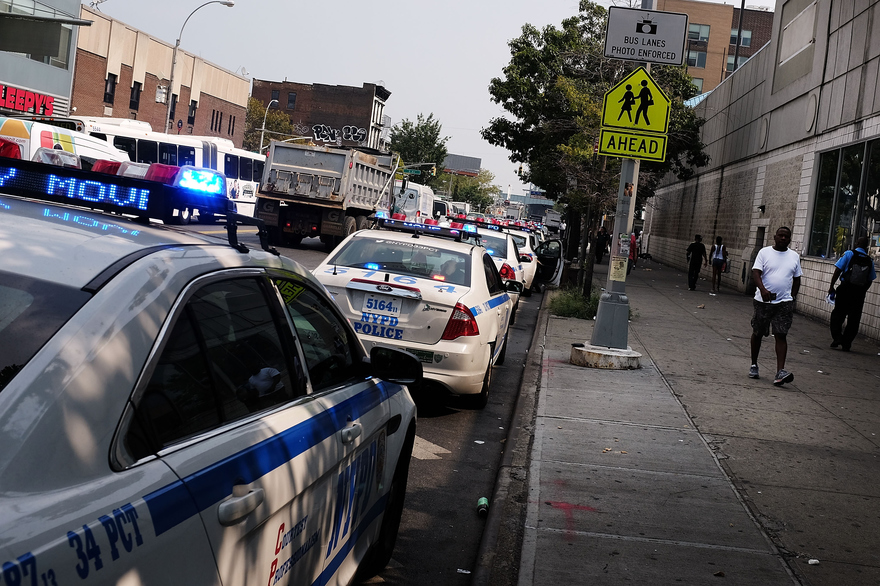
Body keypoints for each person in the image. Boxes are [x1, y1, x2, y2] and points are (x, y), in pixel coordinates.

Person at [749, 226, 802, 385]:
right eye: (781, 235)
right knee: (758, 332)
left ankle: (780, 372)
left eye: (786, 236)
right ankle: (754, 364)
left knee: (781, 334)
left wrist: (792, 296)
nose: (783, 238)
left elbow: (797, 278)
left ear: (790, 238)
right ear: (775, 236)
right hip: (763, 302)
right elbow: (756, 273)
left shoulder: (794, 256)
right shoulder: (764, 252)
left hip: (784, 303)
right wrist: (763, 290)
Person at [828, 236, 876, 351]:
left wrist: (831, 286)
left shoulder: (849, 254)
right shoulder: (869, 260)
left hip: (845, 289)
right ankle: (847, 342)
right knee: (854, 318)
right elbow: (870, 279)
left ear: (857, 243)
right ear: (866, 246)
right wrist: (863, 290)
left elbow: (838, 270)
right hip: (859, 292)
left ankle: (837, 337)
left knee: (838, 315)